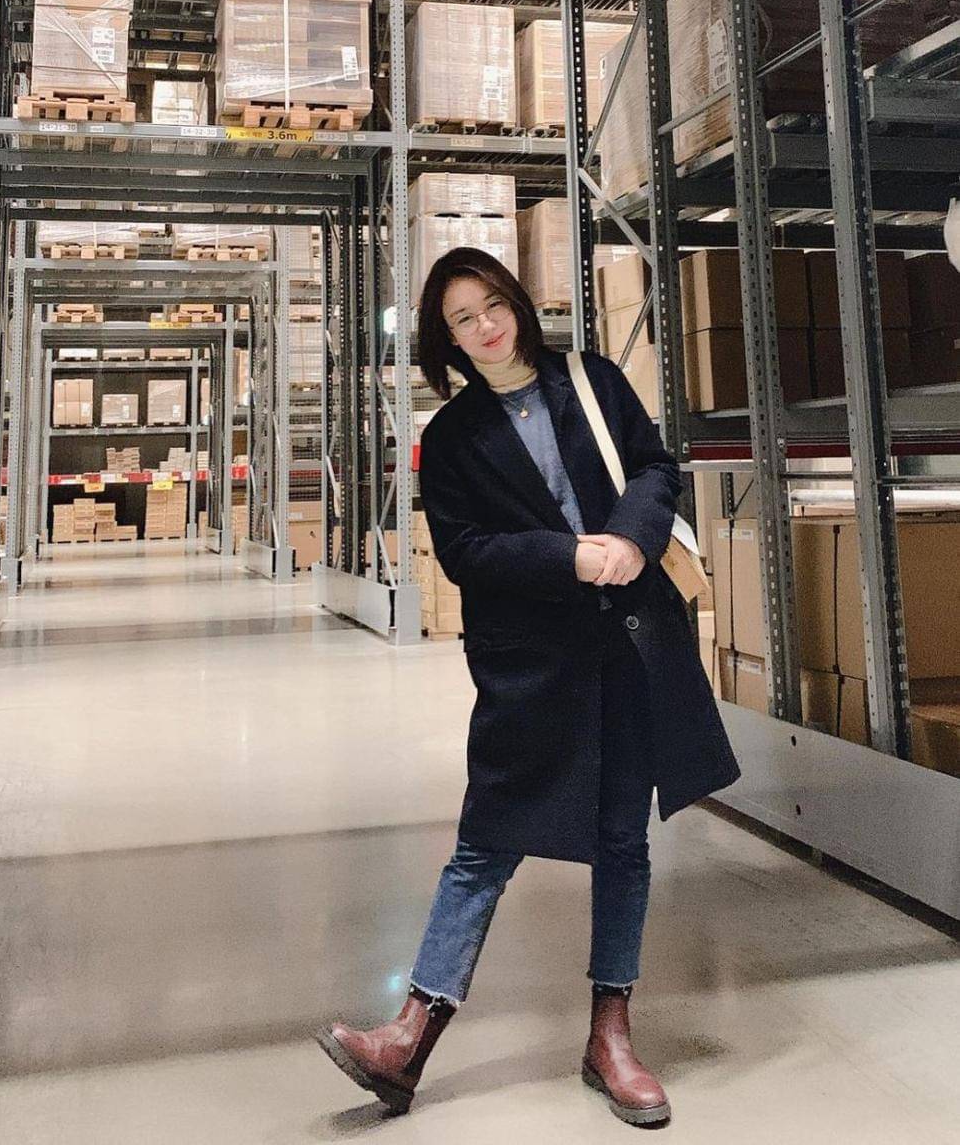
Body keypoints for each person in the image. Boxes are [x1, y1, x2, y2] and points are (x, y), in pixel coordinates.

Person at [316, 248, 740, 1126]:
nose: (485, 326)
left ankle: (610, 1037)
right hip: (532, 663)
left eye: (493, 305)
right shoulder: (452, 437)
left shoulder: (592, 381)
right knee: (486, 840)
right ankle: (409, 1037)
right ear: (446, 339)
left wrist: (628, 538)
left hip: (627, 644)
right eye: (462, 319)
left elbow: (655, 467)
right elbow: (463, 551)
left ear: (516, 303)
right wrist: (566, 557)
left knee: (621, 840)